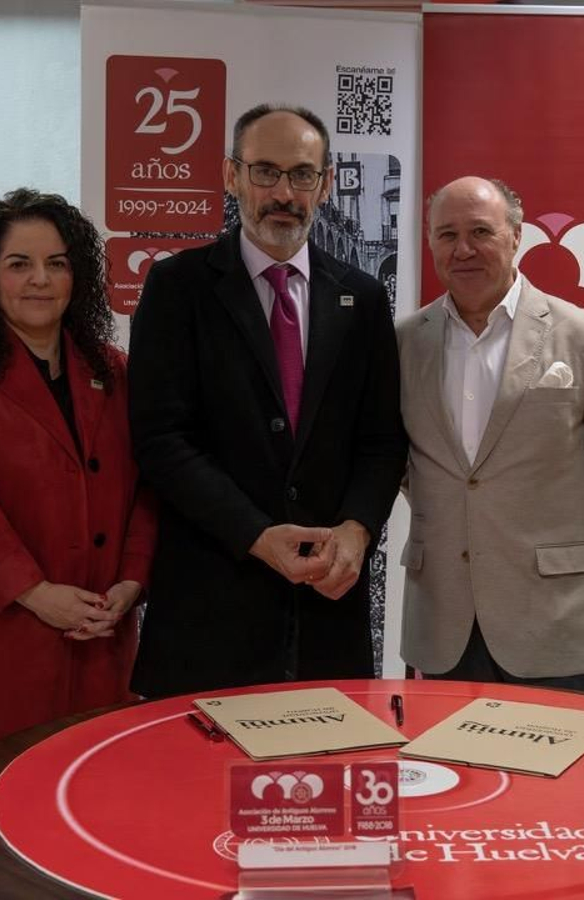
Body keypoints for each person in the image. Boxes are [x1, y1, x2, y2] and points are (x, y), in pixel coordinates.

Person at [127, 104, 406, 696]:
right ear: (232, 176)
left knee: (325, 778)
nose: (284, 192)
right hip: (213, 598)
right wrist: (257, 534)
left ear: (326, 183)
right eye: (265, 172)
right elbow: (161, 442)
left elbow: (381, 441)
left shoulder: (362, 297)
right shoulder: (178, 288)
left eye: (302, 174)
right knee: (197, 783)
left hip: (328, 608)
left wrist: (357, 531)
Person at [0, 189, 157, 771]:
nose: (40, 280)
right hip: (0, 626)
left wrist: (131, 581)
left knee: (90, 789)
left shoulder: (113, 370)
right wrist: (36, 593)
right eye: (18, 264)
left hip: (100, 622)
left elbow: (148, 487)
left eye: (56, 263)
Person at [398, 176, 584, 692]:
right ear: (430, 244)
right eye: (447, 235)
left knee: (564, 772)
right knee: (452, 772)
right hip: (445, 616)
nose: (463, 249)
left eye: (480, 232)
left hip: (555, 617)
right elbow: (403, 464)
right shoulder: (404, 344)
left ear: (516, 236)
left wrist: (561, 552)